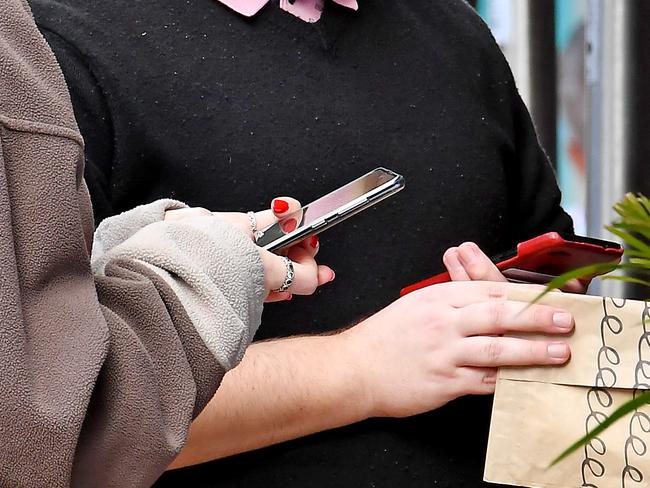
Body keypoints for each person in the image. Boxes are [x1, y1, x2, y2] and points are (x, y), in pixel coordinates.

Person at [28, 0, 577, 487]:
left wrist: (520, 311)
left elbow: (555, 263)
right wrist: (358, 368)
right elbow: (58, 416)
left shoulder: (454, 28)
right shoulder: (50, 48)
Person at [0, 1, 332, 486]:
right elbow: (45, 426)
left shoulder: (453, 29)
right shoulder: (61, 33)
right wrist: (357, 367)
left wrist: (146, 253)